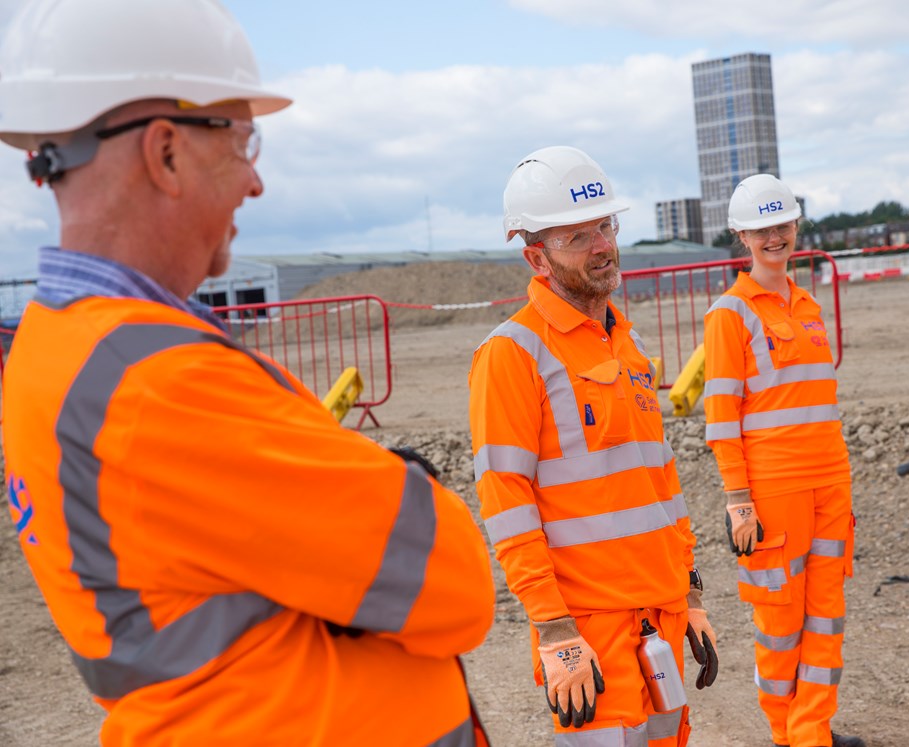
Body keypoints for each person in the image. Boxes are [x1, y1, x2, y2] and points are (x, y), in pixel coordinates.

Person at [0, 1, 494, 744]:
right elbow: (455, 580)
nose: (254, 182)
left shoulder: (56, 347)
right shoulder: (156, 382)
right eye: (241, 139)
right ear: (165, 153)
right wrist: (392, 483)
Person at [468, 145, 719, 746]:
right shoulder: (512, 353)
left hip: (660, 613)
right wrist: (554, 629)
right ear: (537, 256)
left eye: (606, 226)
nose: (602, 245)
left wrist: (689, 592)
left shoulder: (625, 347)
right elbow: (506, 498)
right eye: (577, 236)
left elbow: (659, 482)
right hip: (589, 630)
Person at [702, 174, 863, 747]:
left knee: (825, 618)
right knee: (780, 627)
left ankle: (812, 731)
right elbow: (722, 418)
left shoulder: (809, 306)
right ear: (742, 236)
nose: (776, 236)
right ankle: (786, 736)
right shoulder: (730, 314)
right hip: (772, 494)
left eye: (783, 224)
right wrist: (738, 500)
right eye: (763, 228)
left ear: (796, 226)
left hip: (828, 485)